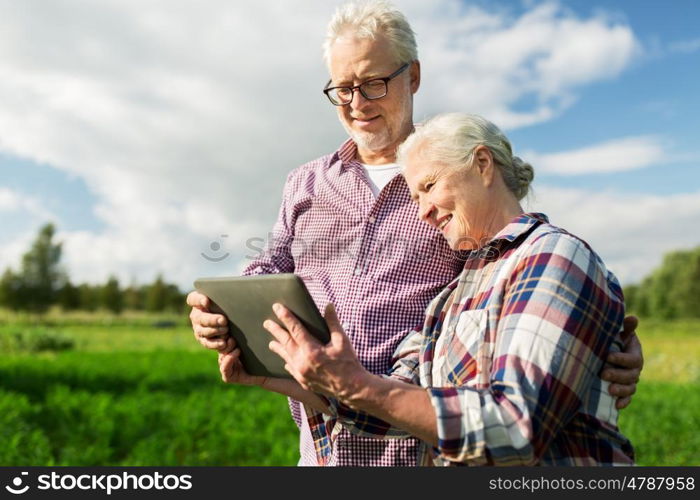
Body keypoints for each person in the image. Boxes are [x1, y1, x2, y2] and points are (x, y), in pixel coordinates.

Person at [189, 0, 642, 466]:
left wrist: (599, 341)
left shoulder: (455, 170)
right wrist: (221, 309)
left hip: (426, 443)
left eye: (373, 83)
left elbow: (527, 274)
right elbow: (271, 267)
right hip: (327, 441)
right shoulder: (305, 184)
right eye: (343, 89)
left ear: (414, 77)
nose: (357, 104)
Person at [242, 112, 635, 465]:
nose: (423, 211)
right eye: (415, 197)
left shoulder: (553, 256)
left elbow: (515, 430)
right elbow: (396, 403)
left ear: (483, 164)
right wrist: (277, 377)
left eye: (429, 186)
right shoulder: (452, 294)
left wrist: (358, 386)